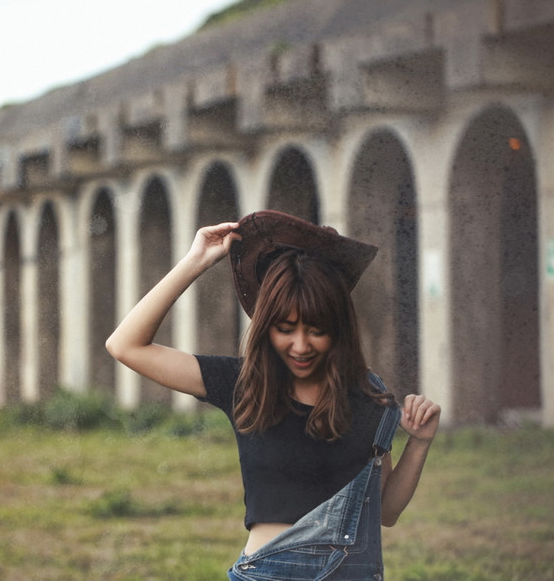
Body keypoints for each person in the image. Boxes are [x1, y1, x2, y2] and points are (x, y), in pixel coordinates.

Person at [106, 211, 440, 580]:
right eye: (285, 329)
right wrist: (195, 262)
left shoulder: (369, 397)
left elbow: (385, 513)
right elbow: (126, 345)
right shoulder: (245, 384)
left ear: (338, 329)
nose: (300, 345)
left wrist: (419, 442)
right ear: (266, 327)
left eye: (316, 330)